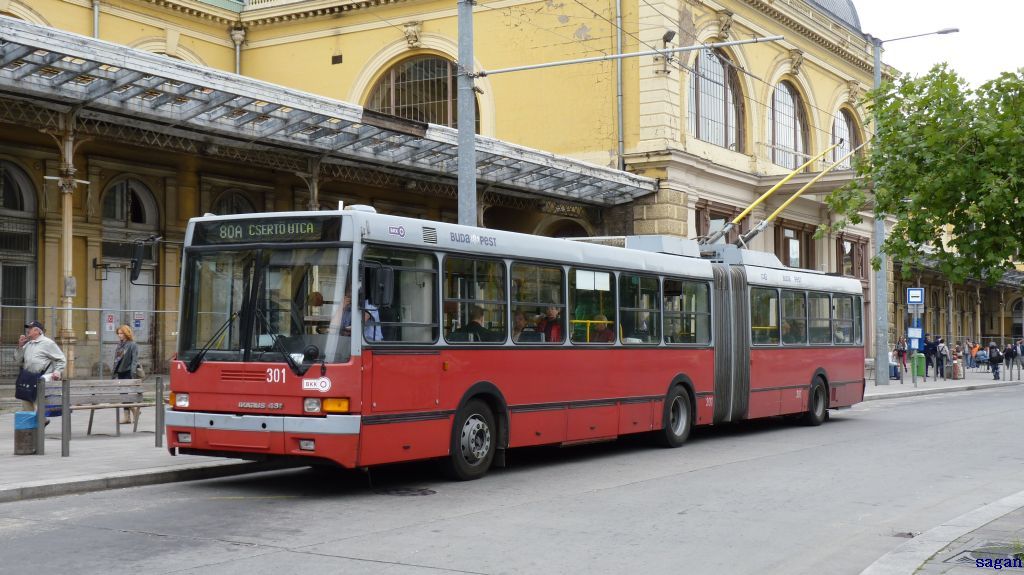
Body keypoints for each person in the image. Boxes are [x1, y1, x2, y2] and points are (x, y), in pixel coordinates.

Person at [14, 320, 65, 417]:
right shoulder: (28, 344)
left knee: (38, 406)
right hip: (28, 378)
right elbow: (18, 361)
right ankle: (30, 429)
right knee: (26, 406)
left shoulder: (48, 343)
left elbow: (61, 359)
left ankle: (41, 425)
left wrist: (57, 371)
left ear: (38, 331)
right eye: (28, 328)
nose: (28, 330)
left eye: (30, 329)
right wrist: (20, 346)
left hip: (41, 380)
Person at [112, 325, 140, 423]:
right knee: (123, 394)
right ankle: (130, 413)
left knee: (125, 394)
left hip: (128, 371)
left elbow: (134, 360)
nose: (120, 335)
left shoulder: (132, 345)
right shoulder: (119, 344)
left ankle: (130, 413)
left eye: (121, 333)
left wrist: (132, 373)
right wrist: (114, 372)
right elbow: (116, 360)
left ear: (126, 333)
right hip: (120, 372)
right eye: (119, 333)